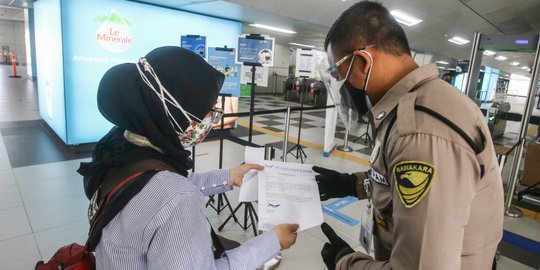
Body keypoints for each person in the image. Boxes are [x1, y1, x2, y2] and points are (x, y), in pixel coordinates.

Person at [315, 2, 504, 270]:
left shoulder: (419, 132)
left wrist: (346, 262)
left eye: (339, 73)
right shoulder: (418, 103)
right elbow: (399, 184)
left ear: (363, 63)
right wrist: (353, 185)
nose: (342, 85)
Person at [78, 46, 298, 270]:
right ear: (177, 113)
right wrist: (273, 241)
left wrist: (229, 176)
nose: (212, 119)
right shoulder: (177, 199)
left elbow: (155, 188)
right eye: (209, 110)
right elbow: (171, 195)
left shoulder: (120, 147)